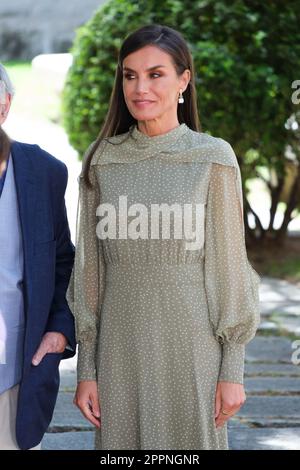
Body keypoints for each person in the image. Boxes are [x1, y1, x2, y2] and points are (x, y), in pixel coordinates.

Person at [67, 24, 261, 450]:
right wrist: (87, 370)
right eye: (130, 75)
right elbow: (90, 274)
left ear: (183, 80)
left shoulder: (213, 157)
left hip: (194, 350)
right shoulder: (102, 160)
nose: (140, 88)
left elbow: (230, 268)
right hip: (120, 349)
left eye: (155, 74)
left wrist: (233, 370)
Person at [0, 63, 76, 450]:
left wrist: (59, 330)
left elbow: (64, 261)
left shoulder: (43, 172)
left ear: (5, 104)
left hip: (14, 378)